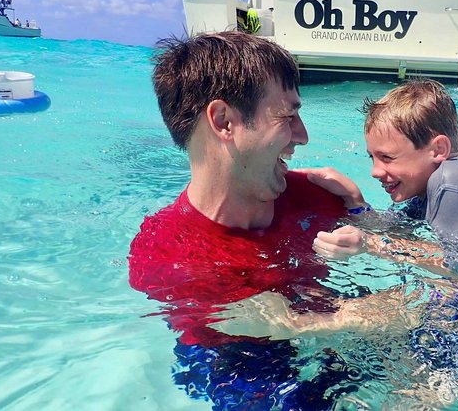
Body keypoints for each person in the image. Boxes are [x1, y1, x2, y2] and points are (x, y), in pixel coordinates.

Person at [128, 31, 432, 409]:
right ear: (224, 121)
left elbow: (429, 252)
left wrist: (360, 210)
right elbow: (253, 323)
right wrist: (366, 315)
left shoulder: (315, 194)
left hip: (338, 341)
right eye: (288, 115)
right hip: (238, 362)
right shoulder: (165, 252)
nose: (302, 136)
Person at [311, 78, 458, 260]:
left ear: (438, 149)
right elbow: (393, 229)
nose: (374, 171)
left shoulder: (451, 179)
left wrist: (371, 245)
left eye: (387, 157)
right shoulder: (423, 190)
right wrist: (354, 200)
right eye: (372, 157)